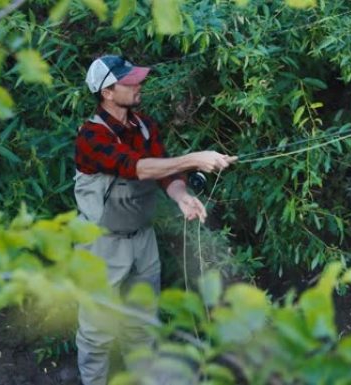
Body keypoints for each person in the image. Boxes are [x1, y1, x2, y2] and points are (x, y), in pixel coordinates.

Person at [73, 55, 236, 385]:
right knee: (96, 333)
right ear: (106, 92)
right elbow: (138, 168)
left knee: (142, 325)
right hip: (100, 247)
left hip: (143, 241)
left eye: (138, 79)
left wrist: (181, 196)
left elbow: (163, 172)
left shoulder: (145, 125)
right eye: (129, 81)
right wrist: (195, 159)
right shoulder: (91, 137)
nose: (139, 85)